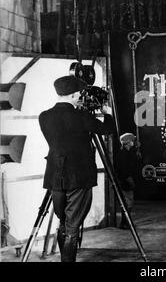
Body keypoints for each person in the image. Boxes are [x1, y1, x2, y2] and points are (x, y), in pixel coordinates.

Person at [38, 75, 114, 262]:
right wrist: (108, 113)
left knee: (63, 220)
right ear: (73, 95)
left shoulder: (44, 116)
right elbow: (107, 130)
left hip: (55, 176)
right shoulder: (82, 117)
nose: (81, 96)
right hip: (79, 176)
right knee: (72, 225)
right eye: (79, 93)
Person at [114, 132, 138, 229]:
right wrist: (129, 180)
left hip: (125, 180)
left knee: (127, 202)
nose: (133, 142)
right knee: (128, 202)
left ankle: (125, 222)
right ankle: (124, 223)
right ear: (128, 142)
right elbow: (124, 170)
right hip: (125, 181)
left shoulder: (125, 152)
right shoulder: (123, 154)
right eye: (132, 141)